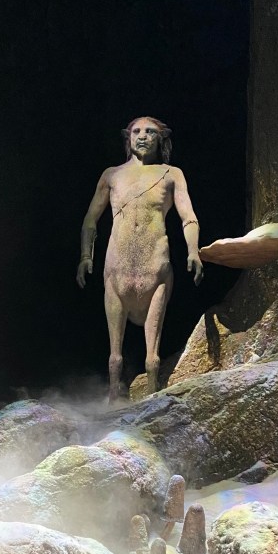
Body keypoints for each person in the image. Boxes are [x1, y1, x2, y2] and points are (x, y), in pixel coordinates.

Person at [77, 116, 202, 401]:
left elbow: (188, 217)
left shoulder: (171, 174)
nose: (142, 136)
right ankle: (113, 392)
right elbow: (90, 220)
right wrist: (86, 256)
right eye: (136, 131)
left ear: (161, 138)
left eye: (150, 132)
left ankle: (152, 391)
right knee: (115, 353)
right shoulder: (112, 175)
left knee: (152, 355)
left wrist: (193, 251)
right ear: (128, 137)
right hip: (117, 270)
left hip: (155, 269)